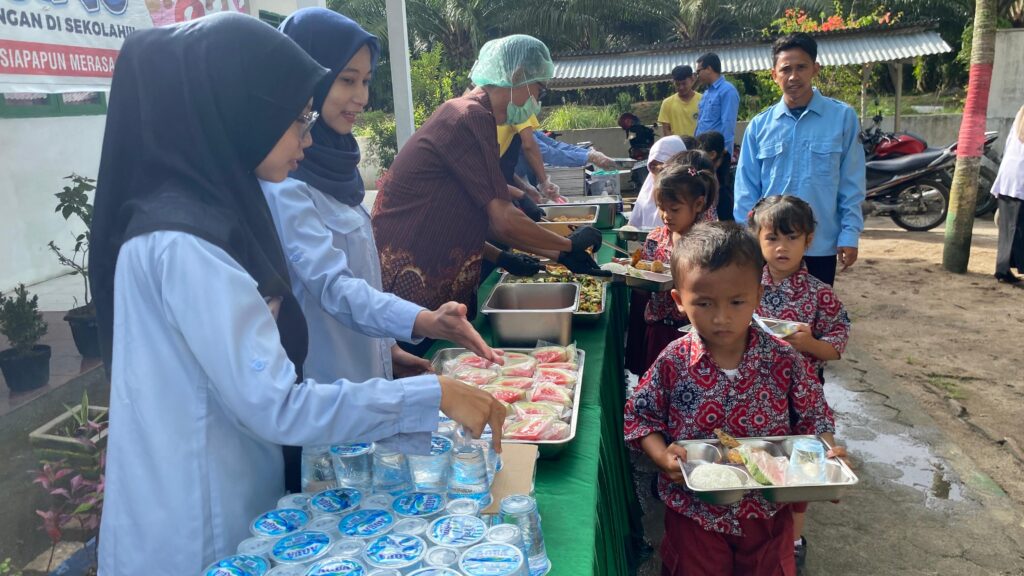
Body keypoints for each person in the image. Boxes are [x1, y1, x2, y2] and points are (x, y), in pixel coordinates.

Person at [89, 13, 505, 573]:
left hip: (230, 485)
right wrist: (432, 396)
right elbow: (278, 403)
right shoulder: (186, 245)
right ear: (239, 113)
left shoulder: (209, 216)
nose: (307, 139)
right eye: (295, 120)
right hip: (196, 517)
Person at [263, 6, 497, 385]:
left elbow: (363, 276)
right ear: (307, 79)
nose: (361, 97)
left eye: (366, 81)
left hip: (366, 376)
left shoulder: (339, 166)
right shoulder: (285, 183)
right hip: (327, 381)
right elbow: (332, 285)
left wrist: (388, 350)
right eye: (347, 80)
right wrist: (424, 320)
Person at [624, 222, 845, 576]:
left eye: (737, 302)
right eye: (704, 303)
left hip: (768, 516)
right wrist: (661, 456)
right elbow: (640, 416)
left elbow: (815, 417)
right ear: (679, 301)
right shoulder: (673, 361)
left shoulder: (784, 359)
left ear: (758, 295)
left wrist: (828, 458)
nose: (722, 317)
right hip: (694, 514)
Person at [372, 34, 607, 345]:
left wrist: (528, 255)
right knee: (414, 361)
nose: (537, 102)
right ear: (517, 76)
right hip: (409, 279)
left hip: (421, 279)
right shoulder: (470, 116)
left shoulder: (473, 116)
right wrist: (567, 246)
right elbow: (502, 220)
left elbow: (457, 217)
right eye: (539, 90)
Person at [749, 195, 851, 572]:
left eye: (792, 238)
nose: (782, 247)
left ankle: (793, 542)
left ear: (808, 240)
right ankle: (756, 532)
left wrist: (808, 344)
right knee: (758, 463)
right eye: (772, 237)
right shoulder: (747, 284)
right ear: (758, 239)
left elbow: (836, 346)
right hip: (751, 395)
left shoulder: (820, 293)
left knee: (800, 471)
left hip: (801, 400)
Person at [733, 33, 866, 286]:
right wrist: (748, 240)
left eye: (801, 67)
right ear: (774, 74)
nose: (793, 76)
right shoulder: (759, 126)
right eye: (786, 69)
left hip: (819, 245)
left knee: (815, 310)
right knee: (764, 309)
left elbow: (852, 183)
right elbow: (745, 190)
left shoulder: (842, 118)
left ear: (815, 68)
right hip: (769, 247)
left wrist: (849, 234)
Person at [637, 155, 719, 372]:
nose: (666, 216)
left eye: (674, 210)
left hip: (696, 334)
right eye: (661, 208)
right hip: (658, 330)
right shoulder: (655, 238)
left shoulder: (709, 242)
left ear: (698, 204)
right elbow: (643, 282)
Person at [694, 52, 740, 221]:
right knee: (706, 190)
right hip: (704, 151)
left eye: (699, 71)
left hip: (718, 153)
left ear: (709, 68)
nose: (697, 75)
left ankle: (728, 226)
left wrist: (722, 153)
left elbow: (728, 123)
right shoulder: (707, 93)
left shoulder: (727, 91)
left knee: (721, 190)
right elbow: (701, 122)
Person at [992, 104, 1024, 287]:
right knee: (1019, 230)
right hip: (1019, 179)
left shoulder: (1020, 116)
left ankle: (1003, 270)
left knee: (1008, 229)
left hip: (1008, 177)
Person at [628, 136, 688, 229]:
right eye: (652, 166)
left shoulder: (689, 193)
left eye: (663, 168)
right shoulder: (647, 192)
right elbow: (634, 226)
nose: (666, 216)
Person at [658, 65, 702, 138]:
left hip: (698, 144)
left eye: (684, 83)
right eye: (677, 84)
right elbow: (666, 129)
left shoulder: (703, 100)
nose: (681, 87)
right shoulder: (667, 103)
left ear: (692, 79)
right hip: (677, 145)